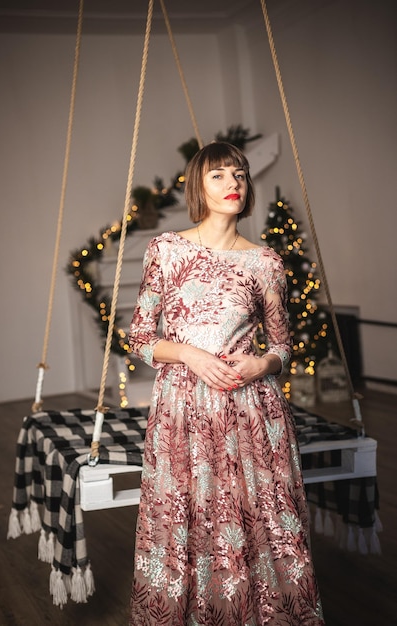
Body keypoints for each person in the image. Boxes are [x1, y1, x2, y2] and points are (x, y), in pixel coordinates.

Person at [128, 142, 324, 625]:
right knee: (187, 521)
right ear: (198, 186)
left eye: (238, 174)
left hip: (253, 412)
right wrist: (190, 355)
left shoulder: (265, 262)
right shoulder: (167, 249)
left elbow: (282, 345)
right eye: (218, 175)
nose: (232, 183)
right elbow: (138, 338)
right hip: (184, 410)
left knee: (265, 522)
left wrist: (263, 366)